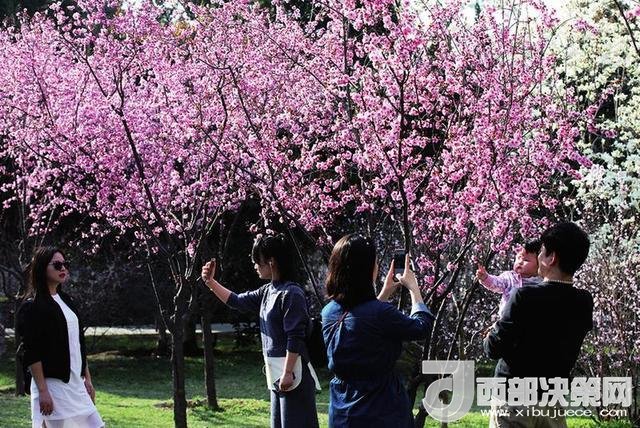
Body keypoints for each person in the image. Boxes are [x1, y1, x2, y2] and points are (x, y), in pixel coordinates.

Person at [201, 234, 319, 428]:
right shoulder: (267, 291)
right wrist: (210, 282)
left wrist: (288, 372)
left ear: (271, 262)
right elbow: (237, 301)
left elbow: (294, 337)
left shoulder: (291, 294)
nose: (255, 265)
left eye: (258, 260)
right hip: (276, 372)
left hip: (293, 372)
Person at [483, 222, 594, 428]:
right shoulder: (584, 301)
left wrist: (490, 335)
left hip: (514, 396)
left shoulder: (524, 296)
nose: (539, 258)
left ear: (552, 258)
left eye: (542, 252)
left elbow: (493, 348)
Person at [321, 234, 434, 428]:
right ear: (367, 270)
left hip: (342, 410)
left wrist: (385, 292)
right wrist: (414, 289)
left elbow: (359, 319)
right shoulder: (380, 314)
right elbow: (420, 327)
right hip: (380, 408)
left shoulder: (329, 311)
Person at [16, 247, 104, 428]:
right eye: (57, 265)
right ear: (41, 268)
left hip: (76, 385)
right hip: (52, 386)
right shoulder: (33, 307)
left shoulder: (67, 301)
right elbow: (32, 352)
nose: (63, 268)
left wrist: (87, 379)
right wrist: (43, 391)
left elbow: (78, 344)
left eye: (65, 264)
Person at [476, 240, 542, 318]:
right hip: (507, 320)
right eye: (518, 258)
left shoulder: (540, 282)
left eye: (526, 260)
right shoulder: (509, 277)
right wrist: (486, 278)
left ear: (539, 264)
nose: (520, 262)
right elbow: (497, 283)